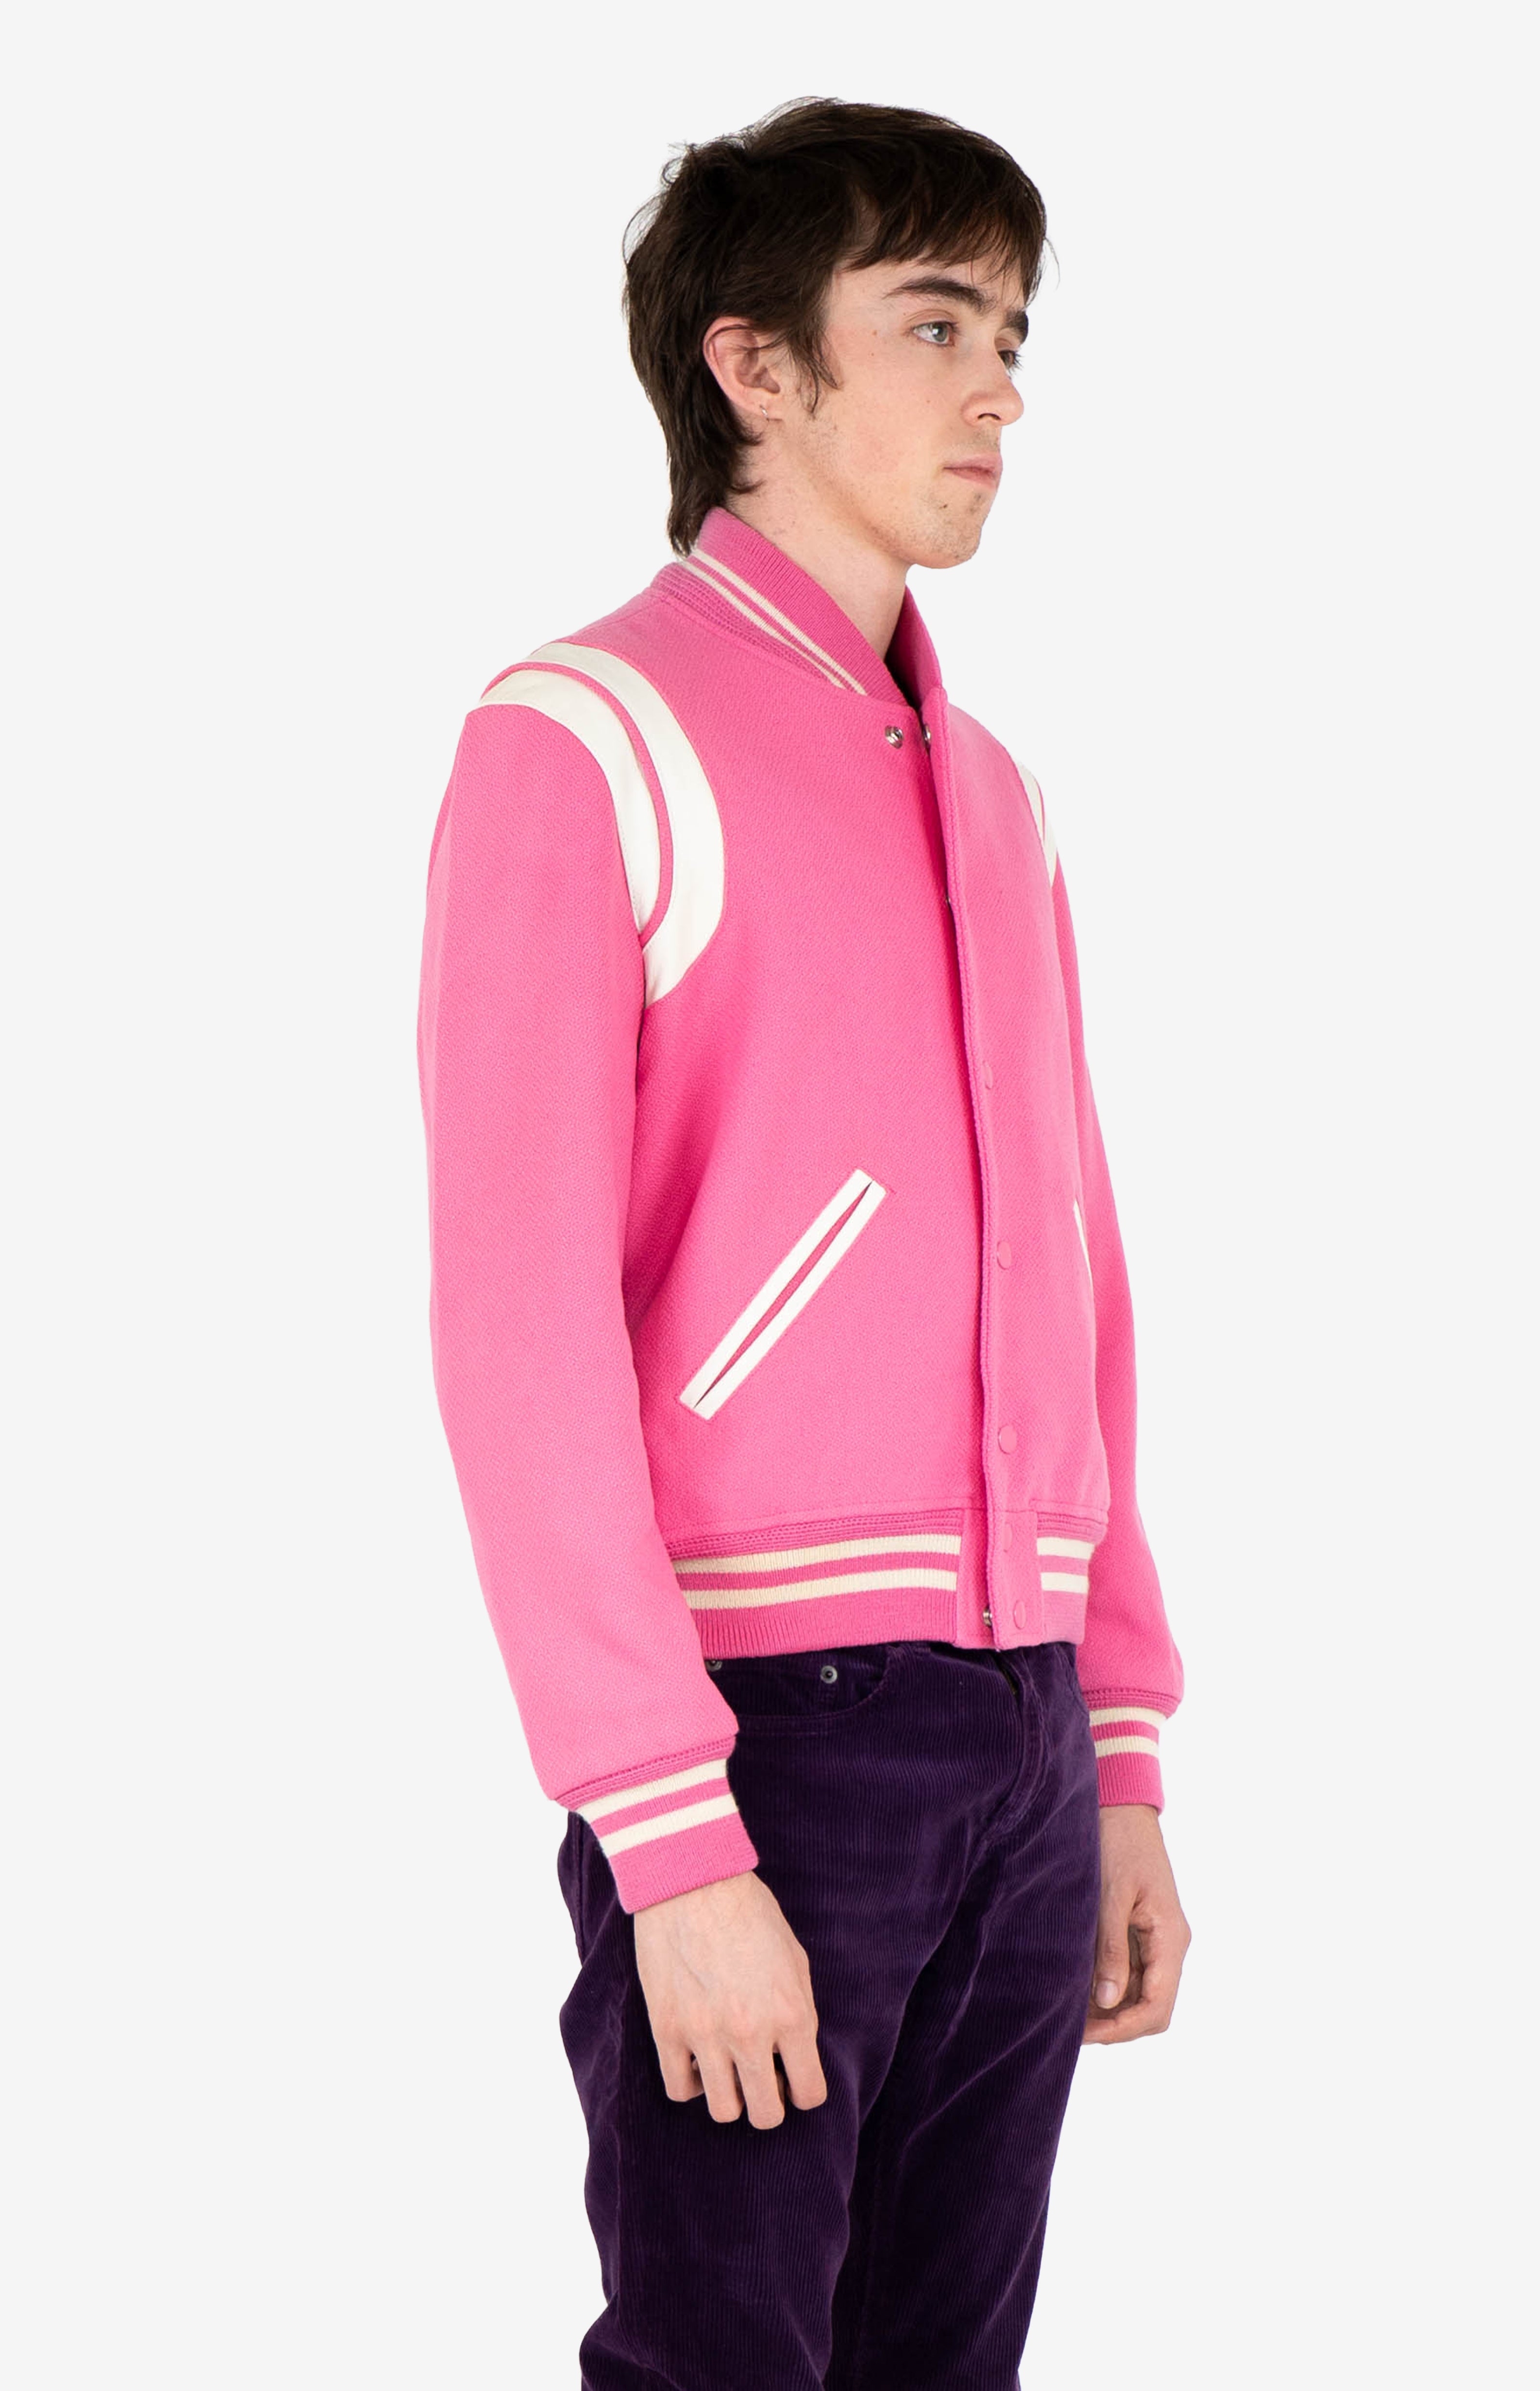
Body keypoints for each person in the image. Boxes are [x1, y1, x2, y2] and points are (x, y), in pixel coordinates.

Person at [417, 95, 1190, 2390]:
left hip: (1020, 1723)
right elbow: (514, 1324)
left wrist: (1116, 1743)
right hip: (765, 1732)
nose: (998, 389)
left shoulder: (996, 792)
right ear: (750, 363)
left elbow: (1076, 1279)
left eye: (1013, 333)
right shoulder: (582, 735)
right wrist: (669, 1833)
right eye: (934, 323)